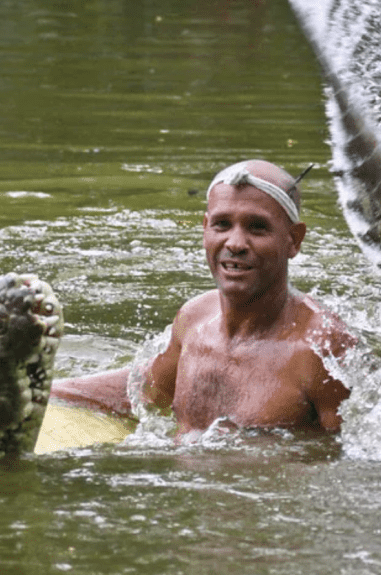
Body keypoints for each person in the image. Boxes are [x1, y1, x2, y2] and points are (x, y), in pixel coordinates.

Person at [49, 159, 356, 437]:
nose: (235, 243)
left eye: (257, 228)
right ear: (205, 228)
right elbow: (143, 395)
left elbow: (352, 464)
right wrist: (44, 391)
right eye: (222, 224)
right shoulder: (194, 318)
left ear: (294, 240)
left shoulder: (323, 348)